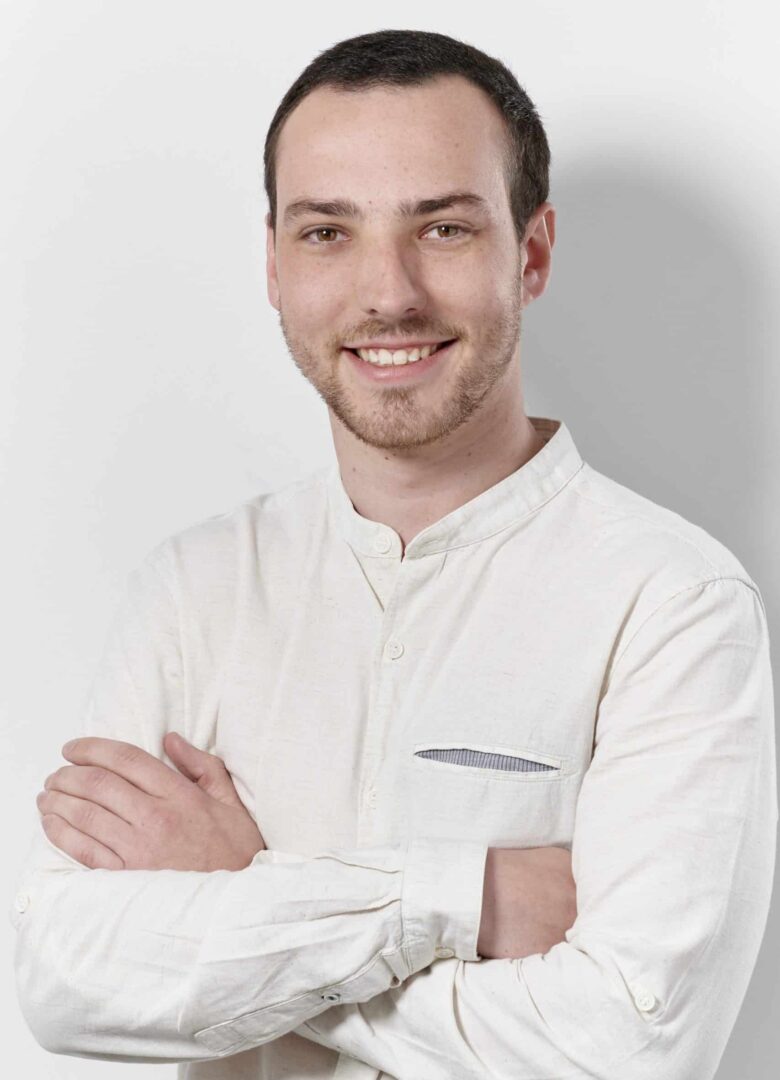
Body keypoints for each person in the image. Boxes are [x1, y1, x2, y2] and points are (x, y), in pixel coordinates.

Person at [10, 27, 777, 1080]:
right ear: (274, 264)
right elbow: (64, 979)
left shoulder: (675, 602)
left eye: (444, 229)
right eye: (328, 232)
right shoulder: (194, 588)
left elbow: (630, 1049)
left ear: (532, 253)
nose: (389, 294)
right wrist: (461, 900)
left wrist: (241, 893)